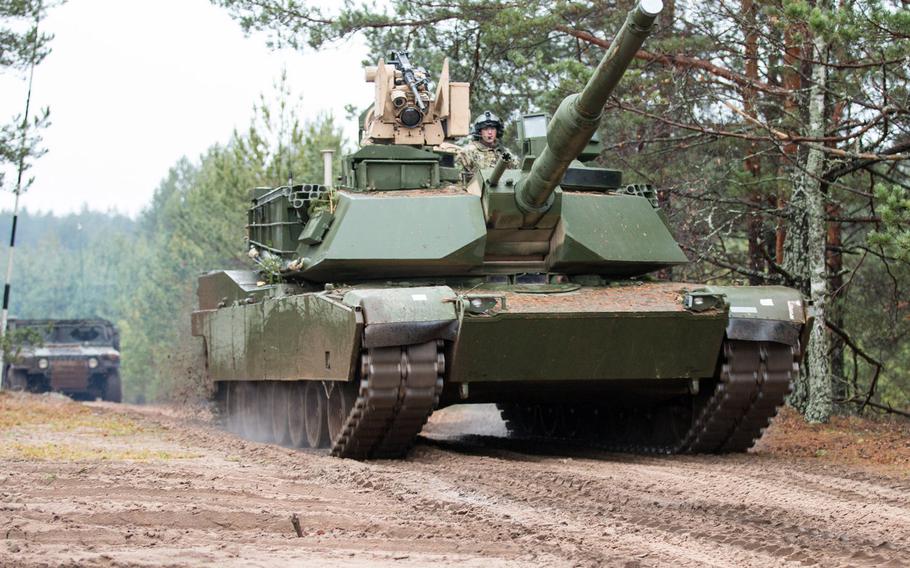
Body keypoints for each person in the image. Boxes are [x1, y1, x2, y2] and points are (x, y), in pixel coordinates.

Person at [457, 111, 514, 177]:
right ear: (479, 132)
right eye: (486, 129)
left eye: (492, 128)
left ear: (497, 131)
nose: (490, 132)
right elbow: (458, 181)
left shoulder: (505, 153)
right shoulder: (467, 152)